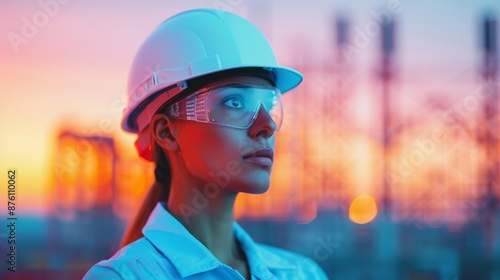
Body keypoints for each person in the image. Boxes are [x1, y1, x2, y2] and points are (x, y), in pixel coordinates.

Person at [84, 8, 328, 280]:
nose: (266, 126)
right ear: (167, 133)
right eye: (235, 102)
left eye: (269, 105)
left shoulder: (301, 274)